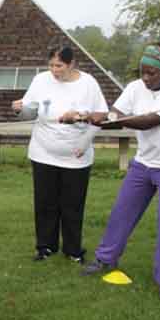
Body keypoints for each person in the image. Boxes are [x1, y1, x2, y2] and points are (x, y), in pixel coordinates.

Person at [82, 44, 160, 299]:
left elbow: (148, 122)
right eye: (142, 72)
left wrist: (110, 119)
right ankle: (105, 259)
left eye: (151, 73)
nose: (145, 78)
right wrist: (94, 117)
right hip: (143, 164)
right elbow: (116, 115)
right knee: (122, 212)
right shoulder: (134, 88)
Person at [11, 46, 108, 262]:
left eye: (59, 66)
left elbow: (101, 115)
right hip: (43, 151)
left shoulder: (88, 83)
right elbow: (29, 112)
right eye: (51, 65)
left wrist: (83, 126)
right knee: (45, 202)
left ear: (72, 64)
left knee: (72, 205)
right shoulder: (40, 80)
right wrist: (19, 109)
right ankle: (45, 247)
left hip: (76, 155)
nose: (54, 70)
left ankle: (73, 250)